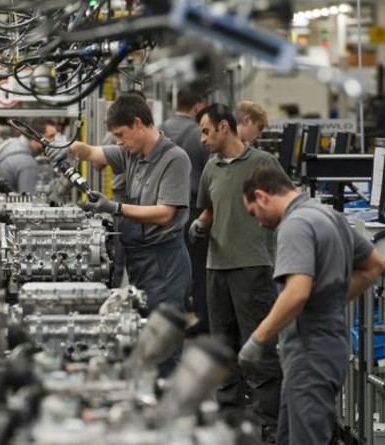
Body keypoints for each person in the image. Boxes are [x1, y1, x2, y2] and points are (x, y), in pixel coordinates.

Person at [46, 93, 192, 375]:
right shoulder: (131, 153)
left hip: (164, 262)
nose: (118, 142)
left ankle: (168, 405)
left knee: (163, 343)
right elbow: (91, 152)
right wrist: (67, 148)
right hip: (140, 261)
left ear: (138, 123)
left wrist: (115, 207)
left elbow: (164, 213)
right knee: (140, 334)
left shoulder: (175, 159)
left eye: (121, 134)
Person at [239, 165, 384, 445]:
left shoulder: (295, 226)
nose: (257, 222)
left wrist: (257, 339)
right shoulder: (327, 215)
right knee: (289, 437)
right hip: (326, 348)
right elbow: (374, 265)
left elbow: (296, 293)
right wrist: (328, 301)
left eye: (253, 212)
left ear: (262, 196)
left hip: (310, 355)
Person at [189, 103, 282, 441]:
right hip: (217, 267)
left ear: (224, 127)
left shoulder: (262, 164)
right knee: (223, 347)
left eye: (206, 131)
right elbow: (210, 210)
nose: (202, 138)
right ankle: (228, 421)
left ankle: (267, 424)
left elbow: (287, 205)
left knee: (258, 346)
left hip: (253, 267)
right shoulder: (210, 168)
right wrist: (200, 224)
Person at [160, 85, 210, 336]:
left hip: (162, 210)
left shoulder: (160, 129)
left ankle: (170, 319)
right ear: (198, 106)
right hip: (191, 209)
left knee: (171, 267)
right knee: (198, 267)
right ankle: (201, 319)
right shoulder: (200, 133)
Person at [0, 118, 57, 193]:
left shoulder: (13, 143)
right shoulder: (28, 163)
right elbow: (28, 201)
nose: (54, 141)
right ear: (36, 137)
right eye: (50, 136)